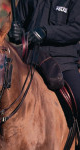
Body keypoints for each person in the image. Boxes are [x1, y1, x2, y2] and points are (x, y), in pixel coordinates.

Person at [8, 0, 80, 129]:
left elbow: (76, 28)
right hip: (30, 61)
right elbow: (19, 28)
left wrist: (46, 32)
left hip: (63, 62)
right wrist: (15, 33)